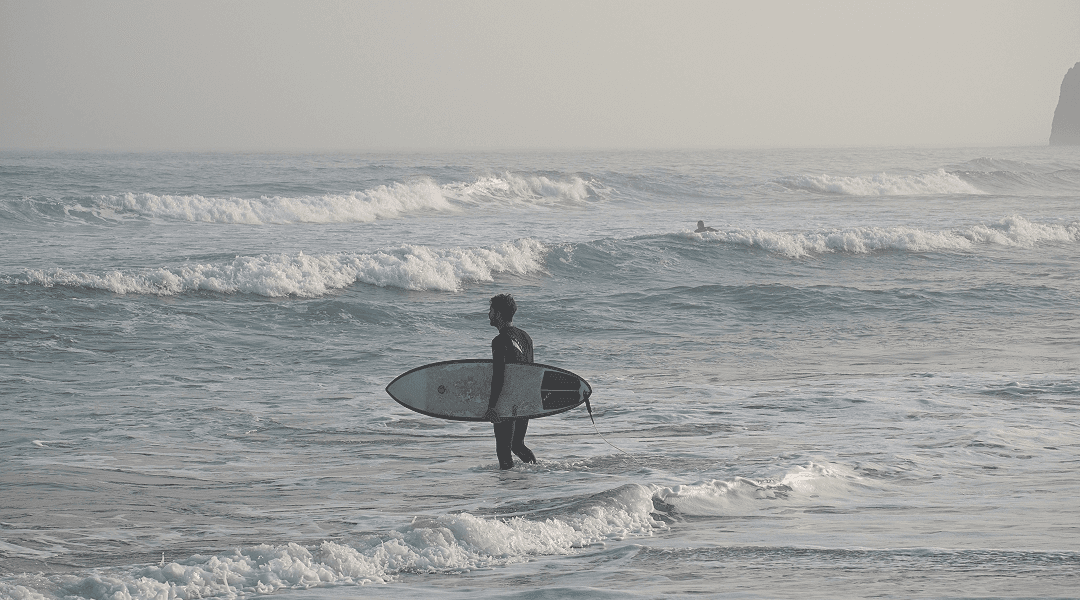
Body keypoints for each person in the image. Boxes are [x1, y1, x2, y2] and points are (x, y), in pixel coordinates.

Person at [483, 293, 537, 469]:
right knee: (517, 445)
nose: (488, 314)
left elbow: (499, 375)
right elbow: (530, 371)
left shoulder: (500, 341)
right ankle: (537, 474)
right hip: (525, 399)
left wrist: (492, 407)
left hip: (507, 401)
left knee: (504, 451)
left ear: (498, 313)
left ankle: (507, 494)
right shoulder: (525, 337)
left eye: (491, 310)